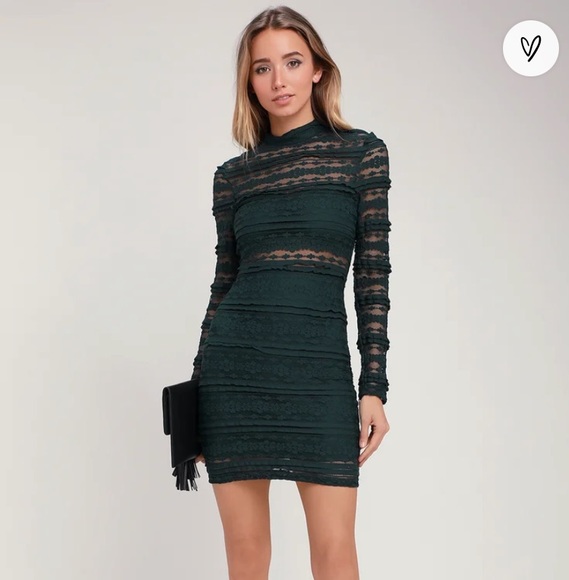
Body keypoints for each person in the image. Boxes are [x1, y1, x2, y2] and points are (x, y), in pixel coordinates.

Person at [190, 6, 392, 580]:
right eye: (263, 68)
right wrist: (199, 386)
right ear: (249, 82)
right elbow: (223, 283)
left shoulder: (361, 154)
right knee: (246, 557)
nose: (278, 80)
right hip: (234, 375)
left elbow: (373, 276)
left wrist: (373, 387)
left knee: (335, 555)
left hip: (319, 375)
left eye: (293, 62)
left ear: (318, 70)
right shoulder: (233, 176)